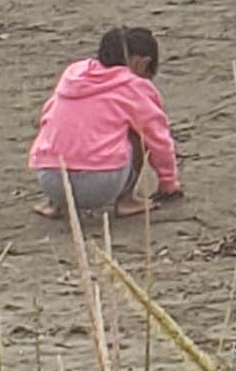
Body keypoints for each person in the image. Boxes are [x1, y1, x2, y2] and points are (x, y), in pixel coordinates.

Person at [30, 24, 184, 252]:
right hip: (100, 185)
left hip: (50, 178)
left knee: (65, 124)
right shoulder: (134, 86)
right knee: (138, 131)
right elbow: (158, 140)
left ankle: (56, 203)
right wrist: (168, 183)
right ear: (140, 62)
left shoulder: (73, 75)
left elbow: (47, 117)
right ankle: (126, 200)